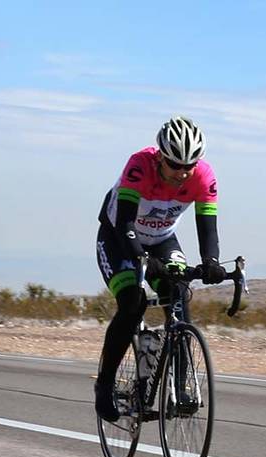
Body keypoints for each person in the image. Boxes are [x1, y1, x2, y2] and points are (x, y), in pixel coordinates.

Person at [94, 115, 226, 422]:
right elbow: (126, 222)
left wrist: (212, 263)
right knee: (132, 302)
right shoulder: (139, 164)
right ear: (160, 157)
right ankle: (105, 384)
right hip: (118, 237)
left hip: (162, 238)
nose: (182, 173)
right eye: (174, 165)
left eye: (188, 166)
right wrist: (140, 256)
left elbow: (208, 230)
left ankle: (180, 388)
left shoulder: (204, 177)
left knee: (178, 290)